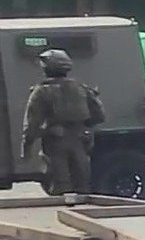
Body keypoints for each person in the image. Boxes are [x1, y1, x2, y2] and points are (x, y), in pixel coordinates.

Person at [21, 49, 103, 196]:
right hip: (80, 140)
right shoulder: (81, 88)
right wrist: (83, 127)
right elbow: (99, 116)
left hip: (56, 142)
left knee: (60, 185)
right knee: (82, 183)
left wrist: (26, 147)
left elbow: (32, 124)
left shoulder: (42, 91)